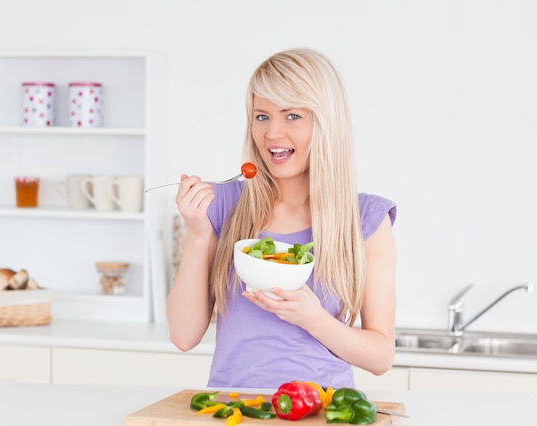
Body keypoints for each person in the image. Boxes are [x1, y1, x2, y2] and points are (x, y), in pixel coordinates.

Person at [167, 47, 397, 389]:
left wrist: (312, 318)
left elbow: (380, 358)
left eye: (292, 116)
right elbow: (183, 337)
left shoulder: (365, 219)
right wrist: (199, 234)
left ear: (325, 122)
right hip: (234, 411)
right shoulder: (224, 206)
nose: (272, 134)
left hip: (322, 411)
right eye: (262, 116)